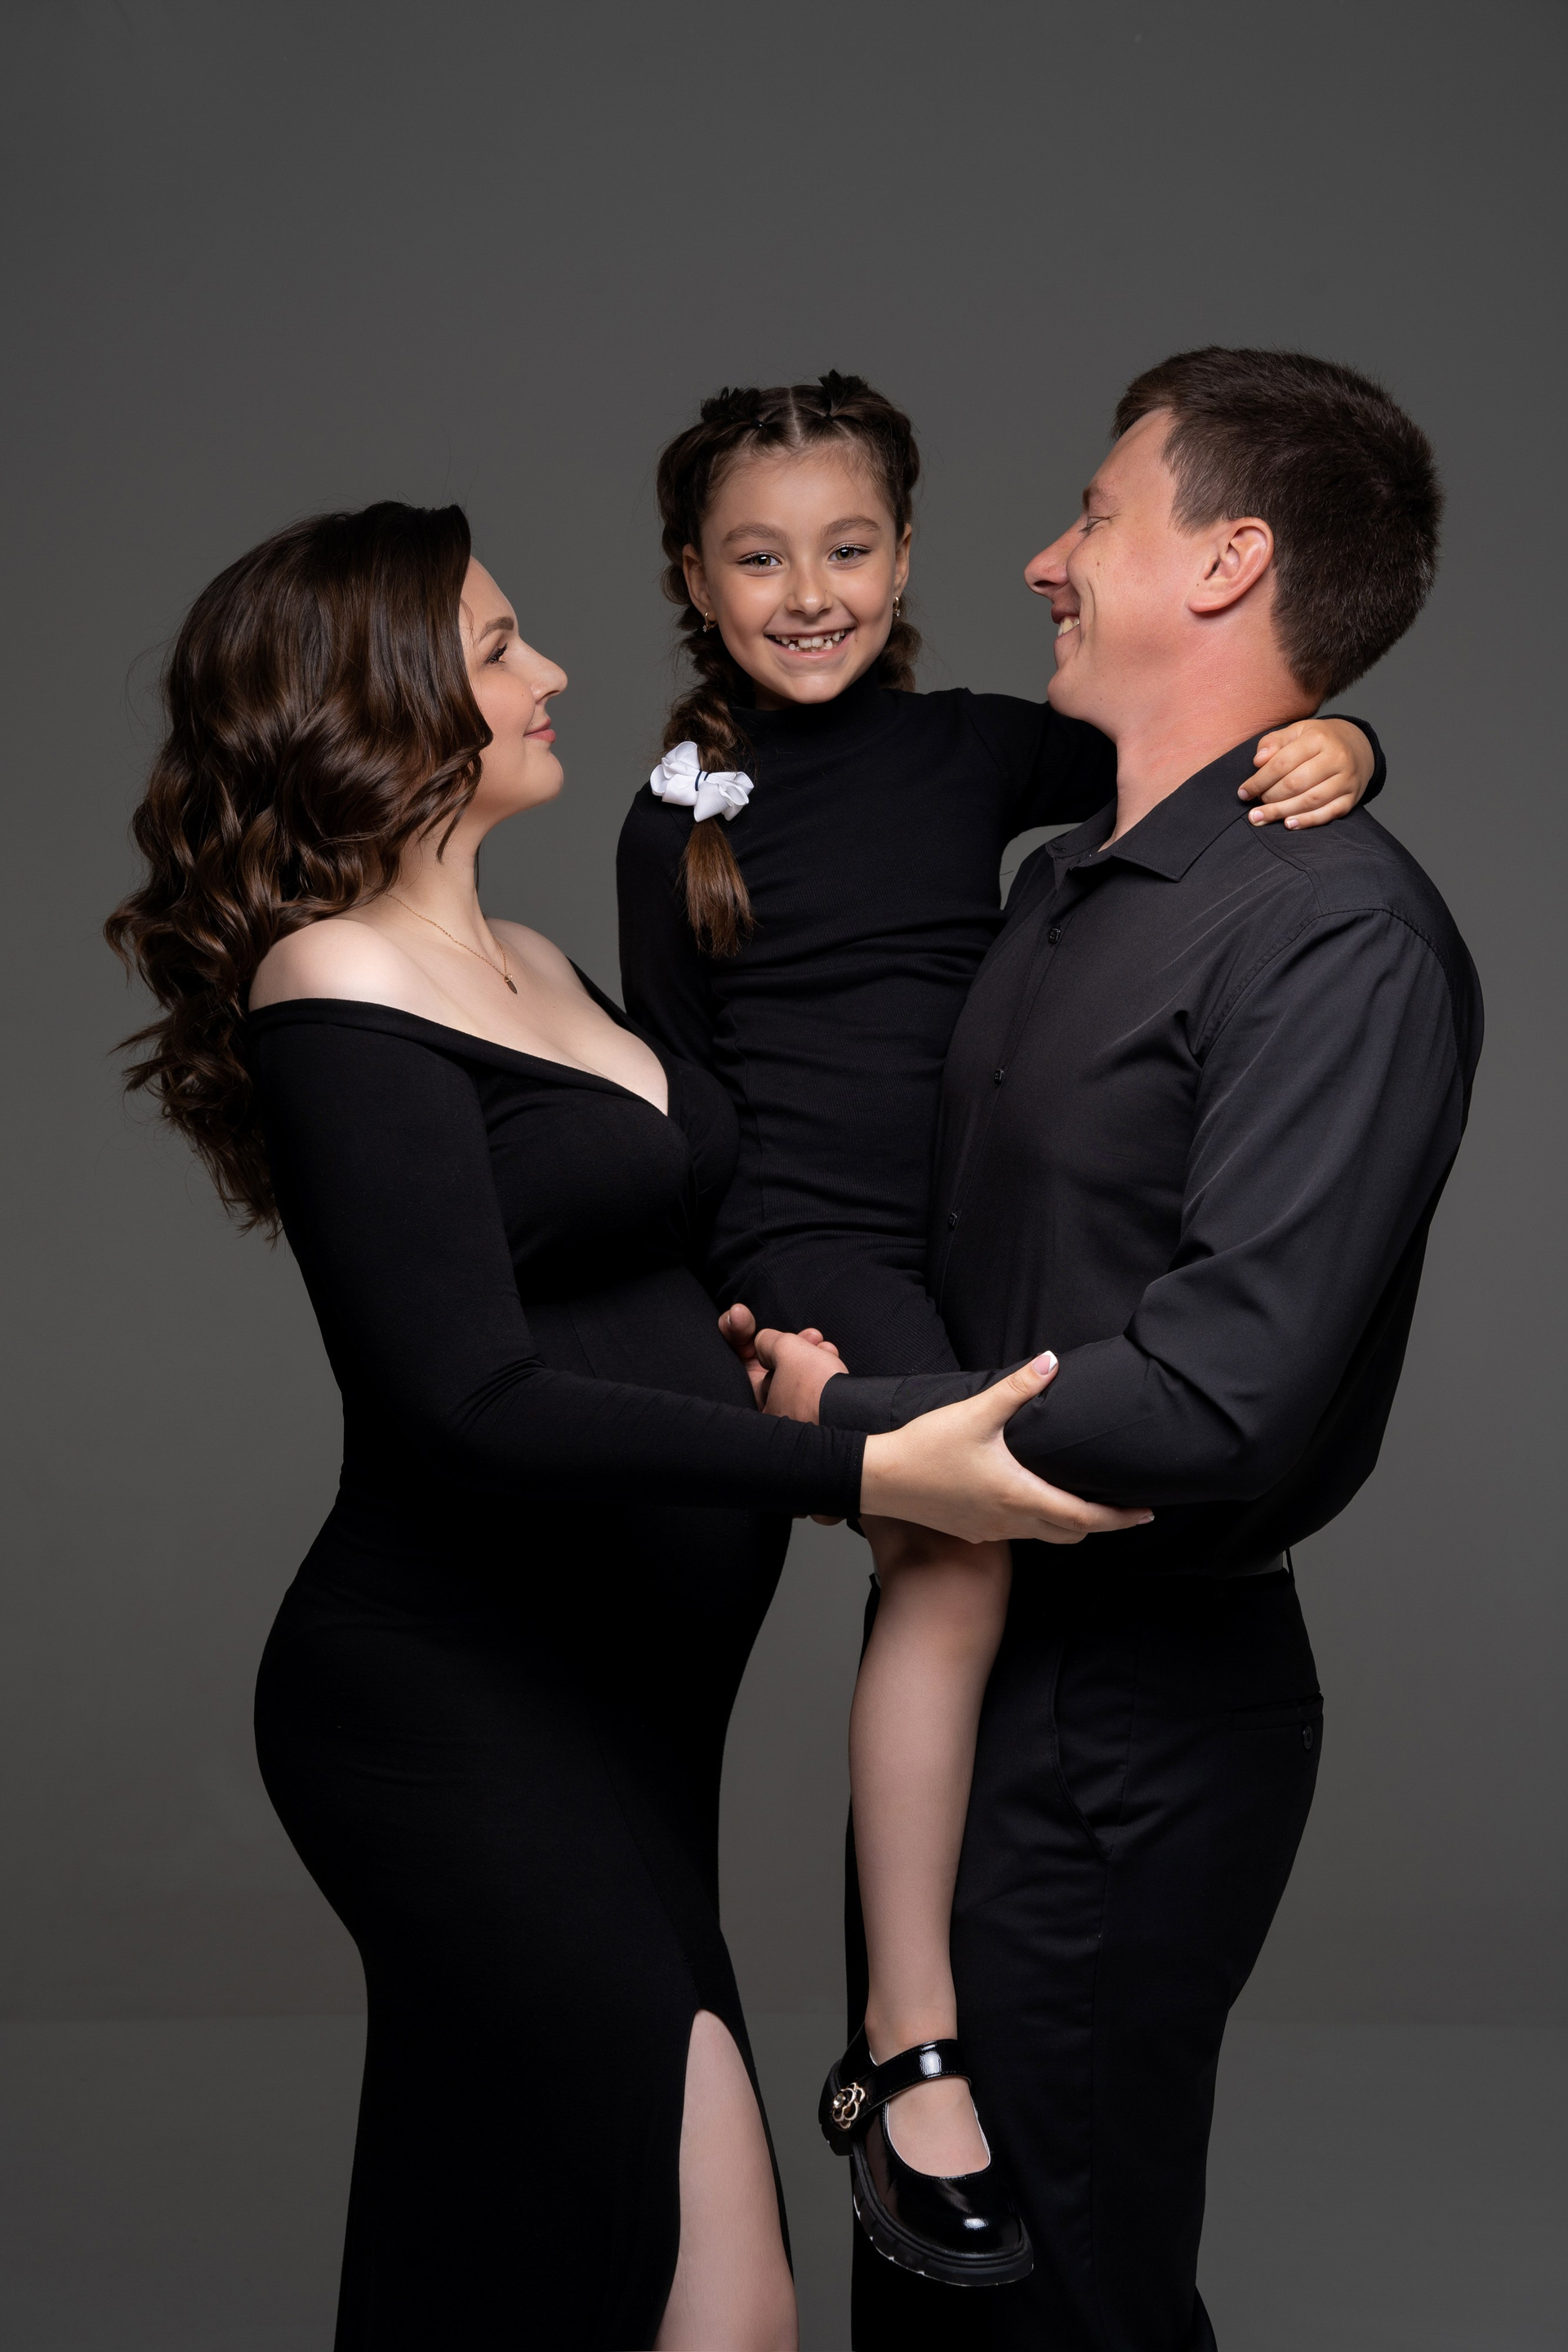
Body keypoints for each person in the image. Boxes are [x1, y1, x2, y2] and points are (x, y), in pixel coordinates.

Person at [103, 501, 1147, 2352]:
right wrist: (861, 1465)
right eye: (500, 647)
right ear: (384, 694)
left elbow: (593, 1282)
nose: (556, 671)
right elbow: (469, 1397)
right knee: (717, 2277)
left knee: (509, 2256)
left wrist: (738, 1357)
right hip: (452, 1703)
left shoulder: (540, 959)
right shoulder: (331, 981)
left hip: (635, 1715)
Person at [749, 347, 1483, 2350]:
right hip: (958, 1666)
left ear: (1229, 562)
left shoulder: (1338, 932)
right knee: (932, 2290)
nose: (1043, 558)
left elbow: (1221, 1393)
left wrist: (851, 1427)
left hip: (1130, 1719)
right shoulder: (1055, 884)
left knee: (1058, 2296)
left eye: (1095, 513)